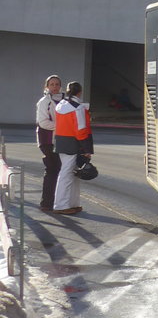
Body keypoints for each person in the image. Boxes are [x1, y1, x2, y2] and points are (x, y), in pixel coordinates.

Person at [52, 80, 93, 216]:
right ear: (80, 92)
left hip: (62, 142)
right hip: (74, 144)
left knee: (72, 174)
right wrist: (87, 149)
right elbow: (81, 130)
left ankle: (72, 204)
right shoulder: (77, 107)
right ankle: (61, 205)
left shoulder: (61, 105)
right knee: (68, 174)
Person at [35, 74, 65, 212]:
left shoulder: (65, 101)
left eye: (57, 84)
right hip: (47, 140)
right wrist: (62, 126)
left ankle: (57, 202)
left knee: (60, 170)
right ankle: (46, 203)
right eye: (51, 84)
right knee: (52, 169)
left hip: (62, 140)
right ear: (46, 86)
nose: (54, 87)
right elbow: (43, 123)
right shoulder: (44, 102)